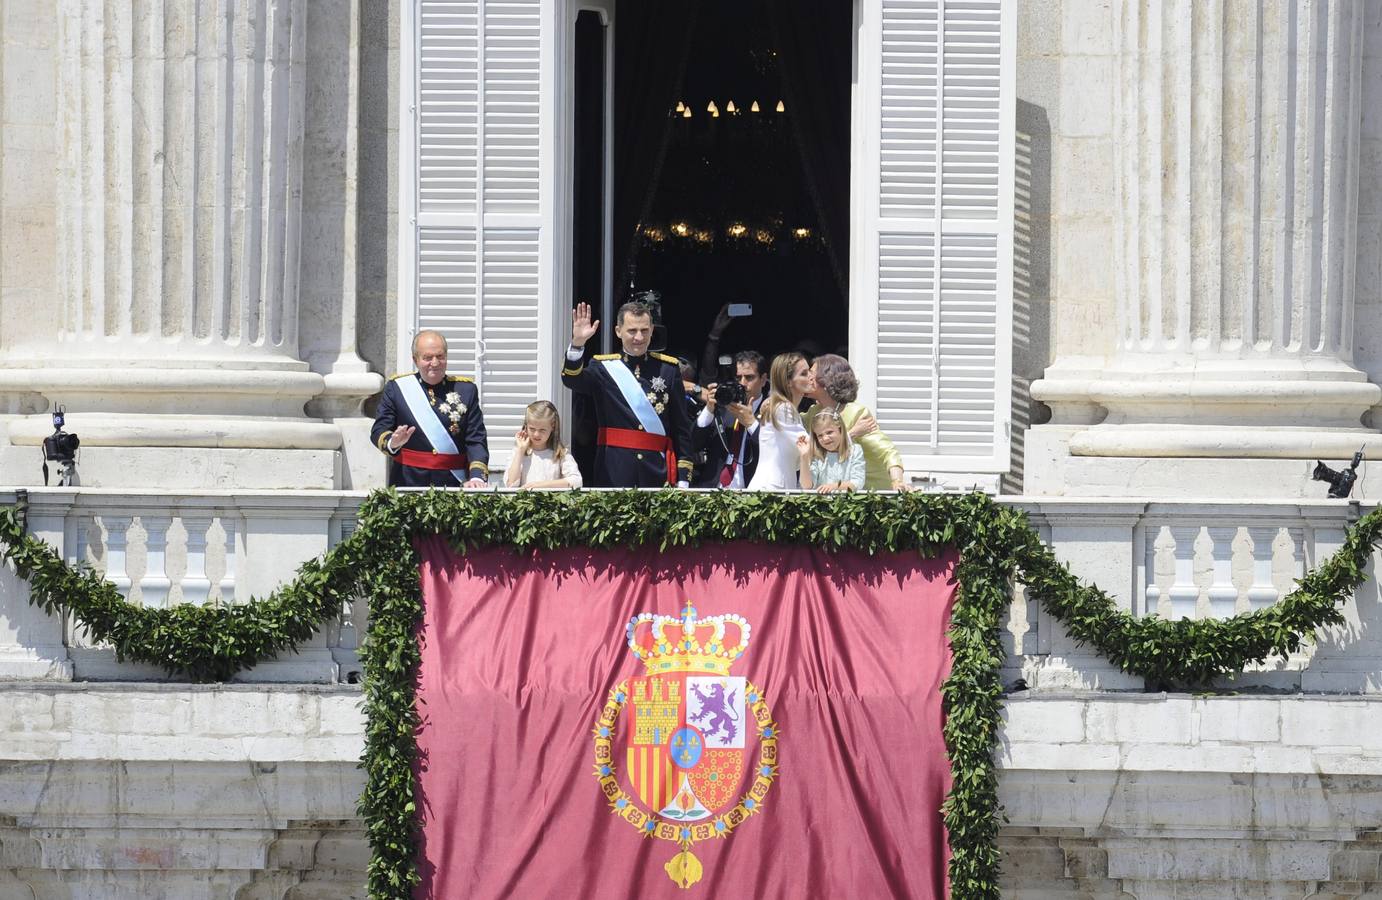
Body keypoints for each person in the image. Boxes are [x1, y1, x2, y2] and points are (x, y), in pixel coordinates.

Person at [562, 300, 694, 487]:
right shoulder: (603, 368)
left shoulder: (668, 370)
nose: (639, 337)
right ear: (618, 331)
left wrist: (683, 478)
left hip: (657, 473)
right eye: (632, 331)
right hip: (614, 471)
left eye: (644, 330)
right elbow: (571, 379)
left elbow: (681, 428)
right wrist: (577, 344)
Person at [371, 330, 489, 487]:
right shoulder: (397, 389)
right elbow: (379, 429)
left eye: (440, 356)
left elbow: (476, 439)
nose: (435, 363)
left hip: (455, 483)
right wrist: (393, 441)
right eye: (427, 358)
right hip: (408, 481)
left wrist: (477, 478)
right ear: (415, 359)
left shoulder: (466, 390)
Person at [802, 353, 909, 491]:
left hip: (867, 495)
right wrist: (775, 402)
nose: (807, 378)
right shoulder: (813, 413)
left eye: (811, 373)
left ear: (826, 380)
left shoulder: (856, 413)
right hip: (827, 496)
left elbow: (888, 452)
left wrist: (897, 481)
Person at [692, 350, 768, 488]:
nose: (743, 384)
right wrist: (709, 409)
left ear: (763, 380)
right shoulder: (724, 407)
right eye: (738, 378)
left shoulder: (771, 411)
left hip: (751, 492)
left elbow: (773, 451)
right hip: (714, 489)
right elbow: (693, 444)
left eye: (749, 377)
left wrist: (751, 424)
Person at [746, 352, 812, 490]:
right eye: (804, 373)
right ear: (788, 381)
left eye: (810, 371)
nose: (811, 377)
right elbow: (810, 444)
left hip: (778, 489)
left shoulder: (783, 408)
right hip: (770, 490)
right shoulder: (783, 409)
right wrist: (851, 433)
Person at [504, 401, 583, 489]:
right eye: (532, 429)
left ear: (552, 427)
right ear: (526, 426)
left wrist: (539, 485)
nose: (536, 434)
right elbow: (510, 484)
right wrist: (520, 451)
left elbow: (577, 481)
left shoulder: (560, 453)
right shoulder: (519, 452)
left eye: (542, 430)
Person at [796, 408, 866, 493]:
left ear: (840, 429)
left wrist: (834, 486)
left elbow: (858, 483)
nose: (825, 438)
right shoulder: (817, 454)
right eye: (820, 435)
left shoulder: (855, 451)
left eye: (829, 432)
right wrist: (804, 457)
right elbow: (807, 486)